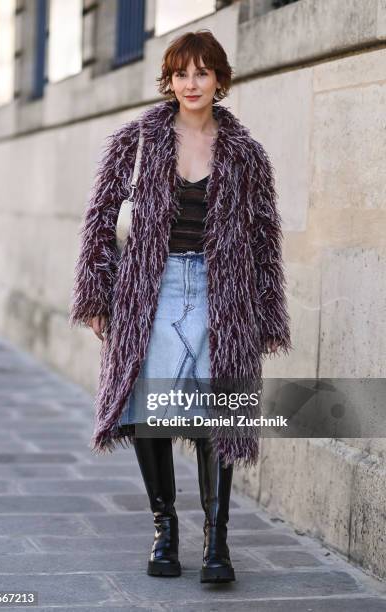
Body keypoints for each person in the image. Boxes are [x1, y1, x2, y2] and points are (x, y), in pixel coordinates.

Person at [69, 30, 292, 584]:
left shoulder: (246, 154)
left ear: (220, 80)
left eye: (202, 73)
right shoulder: (137, 142)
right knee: (151, 411)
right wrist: (97, 293)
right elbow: (99, 220)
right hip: (154, 286)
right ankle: (164, 528)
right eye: (180, 74)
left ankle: (218, 541)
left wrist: (266, 310)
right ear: (168, 81)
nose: (190, 84)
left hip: (225, 289)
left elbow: (264, 237)